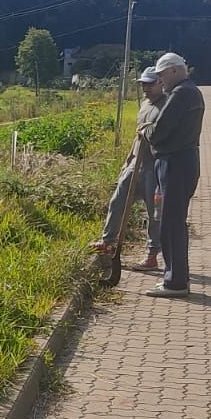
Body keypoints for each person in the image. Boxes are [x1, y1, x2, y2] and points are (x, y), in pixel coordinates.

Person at [88, 66, 167, 271]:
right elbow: (137, 136)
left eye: (149, 84)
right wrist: (128, 158)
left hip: (154, 166)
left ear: (160, 83)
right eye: (143, 84)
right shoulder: (145, 105)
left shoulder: (166, 105)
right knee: (118, 199)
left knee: (154, 214)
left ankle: (152, 255)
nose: (145, 89)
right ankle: (108, 241)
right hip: (136, 163)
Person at [143, 52, 205, 298]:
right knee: (171, 220)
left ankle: (176, 281)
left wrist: (147, 132)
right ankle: (175, 277)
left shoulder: (182, 93)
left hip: (176, 162)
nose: (160, 81)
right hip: (179, 160)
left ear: (175, 71)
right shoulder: (189, 91)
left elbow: (160, 130)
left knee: (171, 222)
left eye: (161, 75)